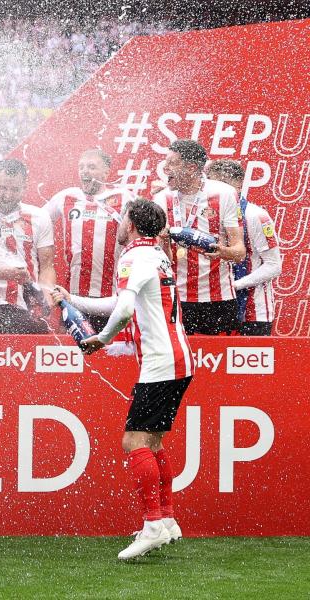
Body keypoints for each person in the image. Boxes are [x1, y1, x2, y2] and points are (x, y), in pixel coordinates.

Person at [52, 199, 193, 560]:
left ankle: (152, 525)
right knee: (154, 442)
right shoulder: (154, 254)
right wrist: (74, 300)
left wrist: (102, 339)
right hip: (178, 358)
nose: (118, 223)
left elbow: (125, 310)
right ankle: (166, 520)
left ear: (130, 223)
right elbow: (122, 302)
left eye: (121, 218)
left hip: (161, 363)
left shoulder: (134, 258)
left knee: (134, 442)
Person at [153, 139, 245, 334]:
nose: (165, 169)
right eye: (165, 162)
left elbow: (239, 252)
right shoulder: (161, 199)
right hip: (175, 297)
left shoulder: (224, 193)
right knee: (177, 361)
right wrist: (164, 242)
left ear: (191, 167)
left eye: (172, 163)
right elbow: (162, 260)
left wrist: (223, 252)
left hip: (218, 299)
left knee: (218, 361)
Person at [46, 149, 134, 330]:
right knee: (75, 354)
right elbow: (37, 222)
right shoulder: (67, 197)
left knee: (110, 355)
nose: (85, 171)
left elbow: (148, 226)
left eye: (92, 167)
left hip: (111, 298)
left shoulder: (123, 197)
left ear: (106, 172)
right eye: (81, 167)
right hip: (73, 298)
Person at [205, 159, 282, 336]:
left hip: (253, 312)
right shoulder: (206, 214)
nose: (214, 192)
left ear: (238, 186)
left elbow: (274, 266)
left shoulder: (256, 216)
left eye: (220, 185)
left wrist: (236, 285)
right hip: (218, 307)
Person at [0, 159, 56, 333]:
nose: (7, 195)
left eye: (14, 190)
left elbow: (47, 266)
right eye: (3, 188)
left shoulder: (39, 216)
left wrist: (46, 294)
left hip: (25, 307)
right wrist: (10, 273)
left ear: (25, 187)